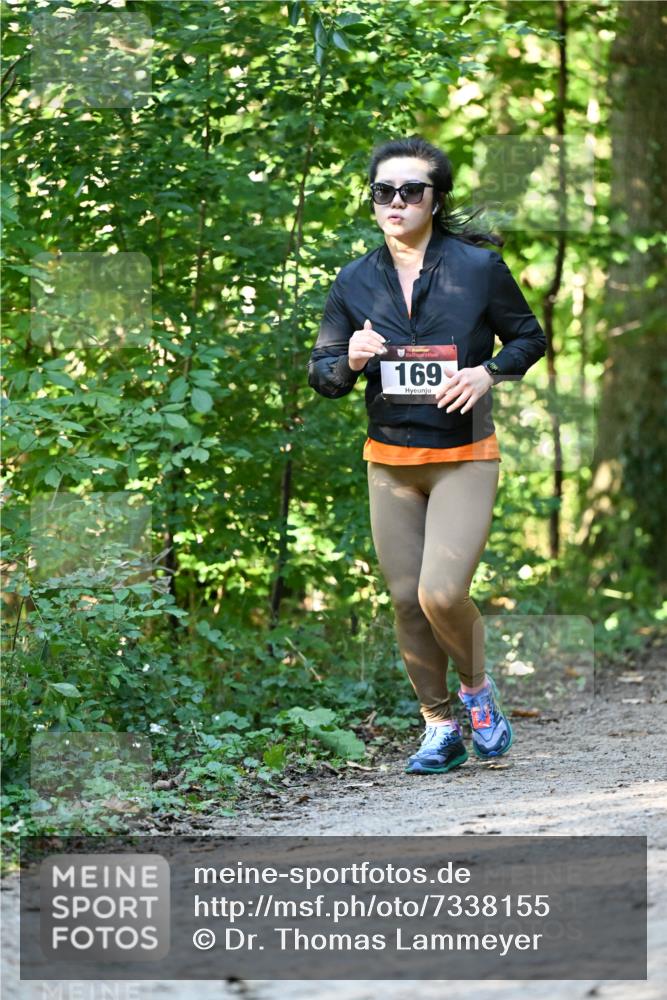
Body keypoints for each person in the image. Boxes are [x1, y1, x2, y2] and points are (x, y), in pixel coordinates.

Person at [307, 136, 546, 775]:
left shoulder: (476, 268)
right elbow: (324, 374)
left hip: (464, 455)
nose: (396, 202)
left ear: (435, 200)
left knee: (442, 594)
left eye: (411, 191)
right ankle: (439, 727)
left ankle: (475, 690)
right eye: (384, 191)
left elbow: (530, 336)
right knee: (407, 600)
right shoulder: (355, 279)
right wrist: (351, 359)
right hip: (389, 463)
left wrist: (488, 374)